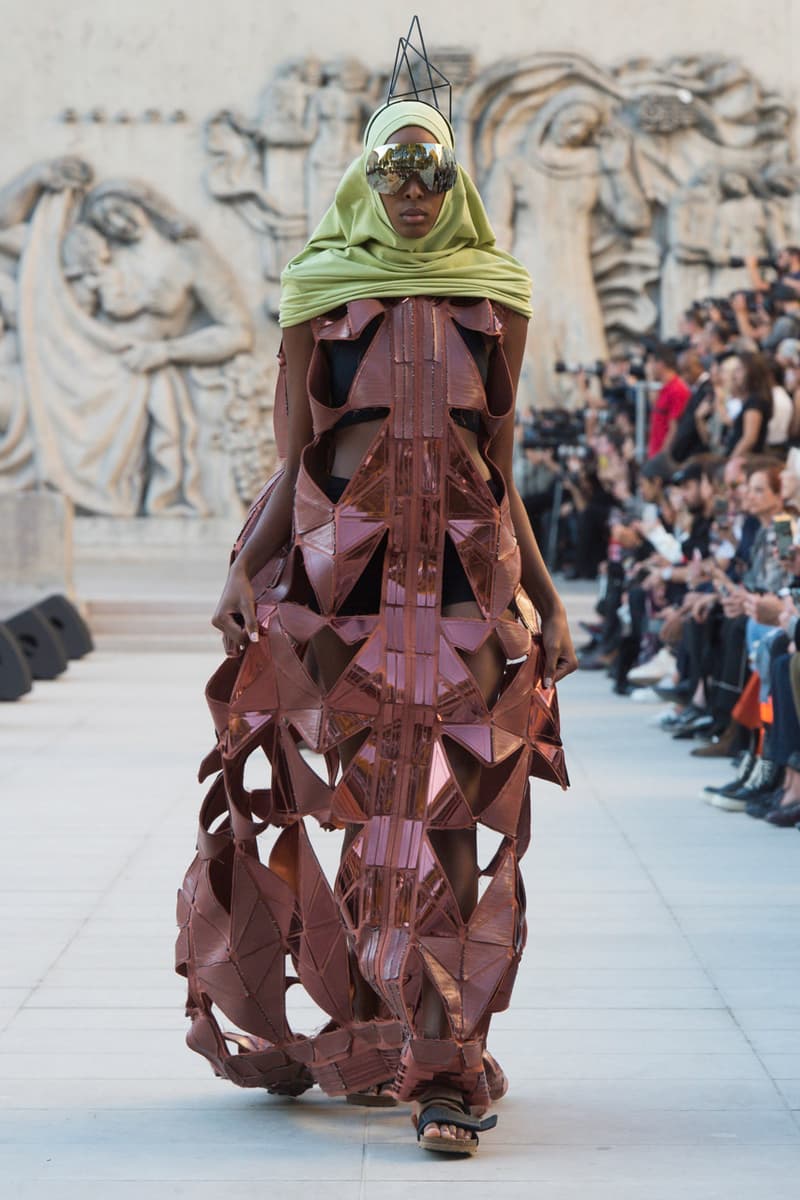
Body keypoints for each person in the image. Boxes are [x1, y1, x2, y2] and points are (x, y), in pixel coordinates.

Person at [175, 93, 576, 1156]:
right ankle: (375, 1023)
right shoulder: (319, 287)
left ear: (456, 183)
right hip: (339, 575)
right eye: (392, 175)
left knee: (447, 806)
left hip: (463, 572)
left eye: (429, 176)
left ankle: (442, 1068)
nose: (409, 197)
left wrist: (545, 590)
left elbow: (501, 462)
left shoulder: (493, 296)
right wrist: (245, 568)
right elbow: (294, 452)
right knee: (350, 798)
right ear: (363, 176)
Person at [646, 342, 691, 462]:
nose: (650, 368)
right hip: (654, 453)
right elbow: (654, 405)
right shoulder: (665, 387)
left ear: (660, 364)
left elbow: (674, 428)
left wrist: (662, 458)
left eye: (652, 363)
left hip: (663, 458)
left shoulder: (677, 389)